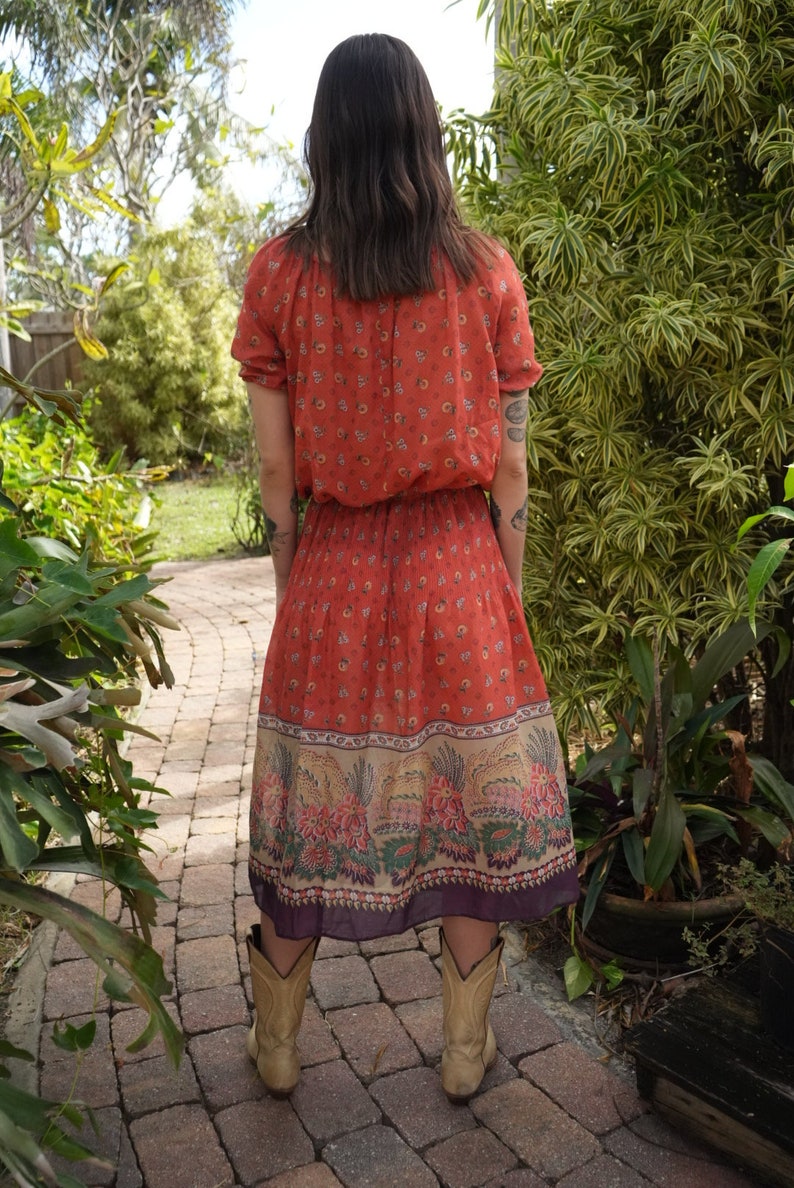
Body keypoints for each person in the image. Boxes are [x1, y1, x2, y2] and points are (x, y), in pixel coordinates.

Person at [231, 32, 579, 1103]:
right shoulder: (485, 271)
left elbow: (275, 464)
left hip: (333, 570)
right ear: (426, 131)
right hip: (456, 569)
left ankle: (279, 1042)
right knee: (472, 810)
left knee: (308, 811)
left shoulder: (279, 274)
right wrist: (503, 582)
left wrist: (293, 583)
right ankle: (465, 1049)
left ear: (324, 136)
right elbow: (510, 463)